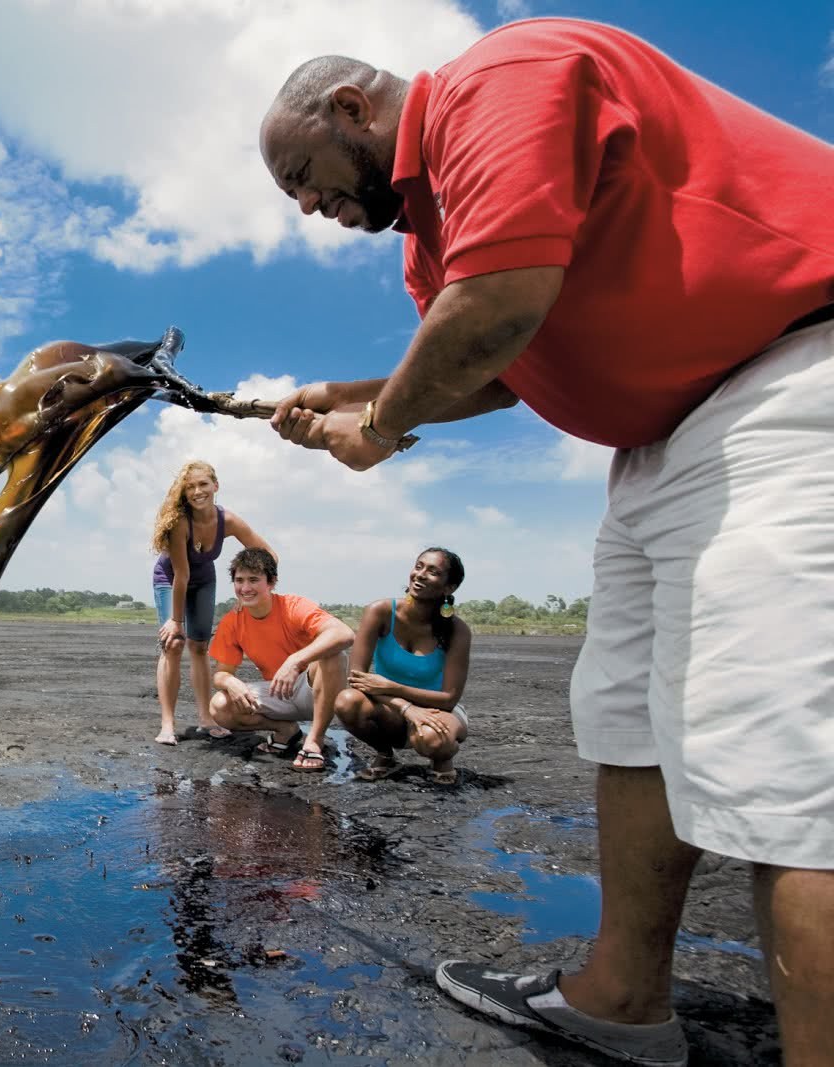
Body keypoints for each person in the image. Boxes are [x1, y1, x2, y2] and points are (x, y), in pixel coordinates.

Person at [256, 17, 834, 1066]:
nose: (303, 205)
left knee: (788, 764)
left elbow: (495, 313)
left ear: (352, 109)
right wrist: (352, 395)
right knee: (626, 717)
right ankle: (621, 996)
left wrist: (377, 429)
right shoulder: (429, 244)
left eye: (303, 173)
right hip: (663, 445)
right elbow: (497, 368)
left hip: (790, 379)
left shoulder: (497, 80)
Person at [149, 461, 273, 745]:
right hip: (170, 580)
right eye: (190, 487)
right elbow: (181, 575)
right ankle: (168, 724)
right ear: (184, 493)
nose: (197, 491)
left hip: (204, 579)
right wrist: (176, 622)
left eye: (203, 484)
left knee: (201, 646)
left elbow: (268, 554)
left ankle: (206, 718)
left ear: (215, 486)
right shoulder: (180, 523)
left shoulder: (227, 520)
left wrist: (251, 593)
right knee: (174, 644)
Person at [206, 547, 353, 770]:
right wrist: (229, 681)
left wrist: (295, 661)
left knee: (334, 655)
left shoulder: (293, 606)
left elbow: (344, 634)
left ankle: (314, 740)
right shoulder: (232, 621)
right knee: (219, 706)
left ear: (271, 582)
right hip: (278, 692)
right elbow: (221, 673)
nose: (245, 588)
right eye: (239, 580)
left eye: (254, 580)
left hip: (314, 690)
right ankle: (286, 730)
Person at [334, 548, 471, 785]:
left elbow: (448, 698)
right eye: (419, 566)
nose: (420, 575)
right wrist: (407, 708)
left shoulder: (457, 631)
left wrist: (392, 687)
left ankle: (441, 760)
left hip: (439, 711)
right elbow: (356, 679)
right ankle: (386, 756)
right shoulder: (379, 612)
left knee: (431, 739)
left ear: (449, 588)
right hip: (391, 709)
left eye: (433, 572)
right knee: (347, 701)